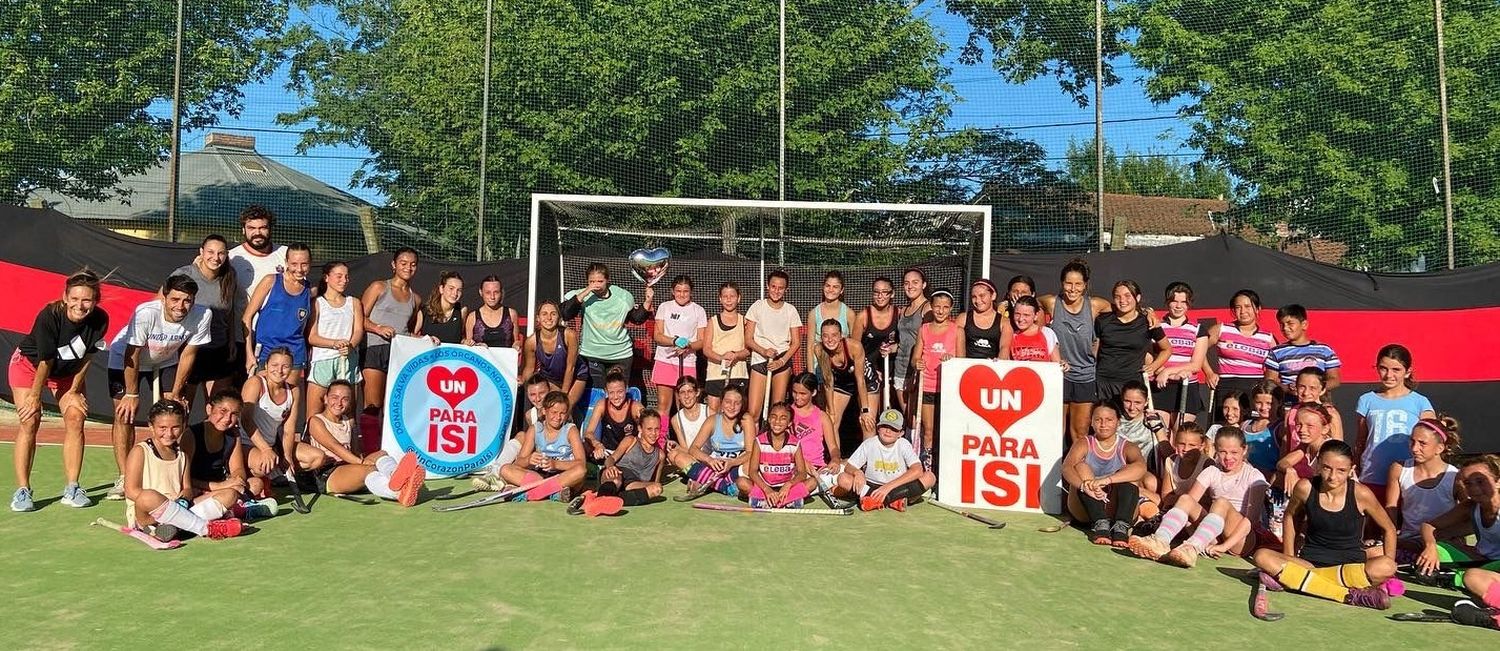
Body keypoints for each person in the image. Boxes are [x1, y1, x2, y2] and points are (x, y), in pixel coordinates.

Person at [1251, 440, 1398, 611]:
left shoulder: (1361, 493)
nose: (1333, 476)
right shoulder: (1305, 487)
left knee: (1387, 565)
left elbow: (1389, 529)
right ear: (1318, 464)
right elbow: (1290, 516)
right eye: (1327, 468)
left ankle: (1297, 580)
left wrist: (1390, 571)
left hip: (1352, 566)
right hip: (1311, 563)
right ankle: (1347, 595)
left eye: (1341, 470)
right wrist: (1289, 556)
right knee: (1261, 556)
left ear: (1352, 469)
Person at [106, 274, 212, 501]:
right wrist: (132, 394)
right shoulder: (146, 313)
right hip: (125, 360)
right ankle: (125, 477)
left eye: (187, 300)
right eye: (175, 299)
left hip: (165, 360)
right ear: (164, 297)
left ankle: (175, 475)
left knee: (174, 414)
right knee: (125, 414)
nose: (181, 306)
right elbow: (131, 353)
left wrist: (175, 392)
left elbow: (188, 354)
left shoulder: (203, 315)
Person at [9, 270, 108, 512]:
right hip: (30, 368)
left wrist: (74, 390)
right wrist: (34, 396)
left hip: (66, 374)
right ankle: (22, 491)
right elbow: (46, 361)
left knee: (76, 417)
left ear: (95, 301)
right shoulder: (49, 316)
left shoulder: (100, 320)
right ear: (65, 297)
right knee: (30, 419)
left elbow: (87, 358)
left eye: (86, 300)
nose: (80, 305)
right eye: (74, 299)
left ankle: (72, 488)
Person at [1130, 426, 1269, 567]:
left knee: (1221, 503)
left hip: (1241, 540)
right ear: (1215, 449)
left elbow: (1251, 520)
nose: (1228, 457)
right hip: (1213, 533)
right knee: (1184, 499)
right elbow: (1189, 503)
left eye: (1234, 452)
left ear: (1244, 450)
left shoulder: (1254, 476)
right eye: (1222, 452)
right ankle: (1161, 540)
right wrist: (1190, 527)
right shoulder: (1212, 471)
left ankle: (1192, 548)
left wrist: (1224, 546)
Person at [123, 400, 245, 541]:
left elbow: (187, 489)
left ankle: (174, 527)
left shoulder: (182, 455)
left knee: (230, 495)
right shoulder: (140, 451)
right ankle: (206, 528)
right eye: (162, 428)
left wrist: (182, 500)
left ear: (183, 425)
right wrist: (167, 504)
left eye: (175, 427)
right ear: (151, 426)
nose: (169, 433)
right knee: (148, 496)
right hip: (148, 514)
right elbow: (131, 491)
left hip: (178, 508)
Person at [298, 380, 422, 506]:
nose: (339, 403)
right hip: (325, 474)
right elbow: (334, 446)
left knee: (381, 454)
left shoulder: (348, 422)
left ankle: (397, 476)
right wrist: (362, 463)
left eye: (345, 399)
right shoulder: (316, 421)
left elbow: (356, 452)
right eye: (334, 397)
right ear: (325, 399)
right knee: (369, 470)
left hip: (347, 466)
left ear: (350, 402)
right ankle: (397, 492)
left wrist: (364, 460)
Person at [1415, 455, 1500, 629]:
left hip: (1490, 568)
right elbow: (1429, 526)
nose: (1474, 488)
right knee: (1430, 558)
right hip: (1483, 561)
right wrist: (1430, 547)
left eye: (1480, 481)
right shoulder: (1470, 507)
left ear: (1497, 482)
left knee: (1473, 578)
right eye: (1468, 483)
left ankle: (1455, 579)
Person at [1040, 259, 1112, 444]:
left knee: (1079, 434)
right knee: (1055, 432)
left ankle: (1076, 471)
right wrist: (1004, 306)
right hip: (1058, 376)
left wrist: (1147, 313)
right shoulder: (1051, 303)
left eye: (1078, 284)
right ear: (1061, 283)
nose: (1072, 288)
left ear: (1085, 285)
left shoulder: (1095, 305)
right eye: (1068, 283)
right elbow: (1028, 304)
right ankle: (1054, 472)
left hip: (1085, 377)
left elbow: (1125, 311)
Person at [1061, 401, 1150, 547]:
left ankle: (1121, 526)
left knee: (1130, 475)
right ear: (1091, 422)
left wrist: (1107, 480)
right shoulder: (1083, 443)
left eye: (1109, 420)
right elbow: (1066, 468)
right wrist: (1084, 486)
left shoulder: (1128, 446)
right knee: (1081, 467)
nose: (1103, 424)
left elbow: (1141, 467)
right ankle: (1100, 523)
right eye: (1098, 420)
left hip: (1116, 507)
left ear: (1118, 422)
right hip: (1087, 508)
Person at [1357, 344, 1436, 496]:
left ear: (1407, 372)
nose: (1388, 375)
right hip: (1372, 475)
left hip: (1408, 477)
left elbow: (1431, 440)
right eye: (1383, 368)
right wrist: (1356, 465)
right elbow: (1361, 439)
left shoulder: (1420, 402)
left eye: (1396, 370)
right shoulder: (1366, 400)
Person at [560, 262, 652, 389]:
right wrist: (586, 292)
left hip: (620, 355)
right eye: (592, 282)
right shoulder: (582, 295)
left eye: (600, 281)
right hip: (591, 354)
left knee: (617, 395)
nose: (596, 285)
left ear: (607, 280)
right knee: (595, 395)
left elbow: (637, 319)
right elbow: (565, 314)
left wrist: (647, 301)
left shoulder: (623, 296)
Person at [174, 234, 241, 408]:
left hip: (218, 349)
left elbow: (230, 311)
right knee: (182, 407)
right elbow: (161, 303)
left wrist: (231, 341)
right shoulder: (184, 274)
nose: (215, 257)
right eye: (211, 252)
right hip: (189, 350)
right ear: (201, 252)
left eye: (221, 253)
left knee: (217, 409)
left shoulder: (230, 276)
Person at [1384, 416, 1462, 558]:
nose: (1414, 448)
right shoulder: (1399, 469)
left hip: (1442, 542)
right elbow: (1391, 507)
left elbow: (1467, 513)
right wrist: (1391, 537)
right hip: (1407, 541)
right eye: (1412, 441)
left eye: (1422, 443)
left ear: (1440, 448)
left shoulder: (1455, 477)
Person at [831, 409, 935, 511]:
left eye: (893, 428)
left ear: (901, 433)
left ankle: (877, 500)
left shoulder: (903, 444)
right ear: (878, 428)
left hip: (897, 486)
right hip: (871, 485)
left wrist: (888, 487)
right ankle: (893, 501)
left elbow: (917, 470)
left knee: (930, 477)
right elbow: (849, 466)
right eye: (884, 426)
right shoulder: (869, 443)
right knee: (843, 479)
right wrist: (858, 472)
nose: (888, 431)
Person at [360, 247, 421, 415]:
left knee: (393, 407)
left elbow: (408, 330)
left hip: (398, 354)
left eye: (413, 264)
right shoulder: (379, 287)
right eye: (403, 263)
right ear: (394, 264)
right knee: (373, 405)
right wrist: (377, 328)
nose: (408, 268)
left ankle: (385, 441)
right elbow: (359, 318)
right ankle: (369, 442)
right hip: (374, 350)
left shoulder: (415, 299)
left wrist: (425, 340)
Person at [243, 242, 312, 382]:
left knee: (291, 401)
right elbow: (246, 318)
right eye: (294, 264)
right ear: (286, 262)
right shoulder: (271, 281)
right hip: (265, 354)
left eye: (304, 264)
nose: (299, 269)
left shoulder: (309, 290)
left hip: (295, 357)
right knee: (261, 400)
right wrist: (249, 353)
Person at [500, 391, 588, 500]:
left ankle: (530, 495)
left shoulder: (570, 430)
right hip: (540, 477)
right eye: (554, 412)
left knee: (581, 471)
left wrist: (555, 464)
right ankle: (553, 493)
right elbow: (519, 462)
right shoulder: (535, 429)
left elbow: (581, 463)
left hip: (563, 476)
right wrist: (529, 460)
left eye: (562, 413)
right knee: (505, 469)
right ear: (544, 411)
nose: (558, 417)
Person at [1094, 280, 1169, 403]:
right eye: (1117, 296)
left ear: (1138, 297)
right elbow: (1095, 349)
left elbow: (1167, 349)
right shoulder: (1102, 321)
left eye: (1127, 296)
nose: (1122, 300)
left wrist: (1153, 366)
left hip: (1132, 386)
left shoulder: (1148, 322)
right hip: (1103, 383)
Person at [674, 385, 754, 499]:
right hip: (715, 467)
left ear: (742, 405)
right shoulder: (712, 420)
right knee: (679, 458)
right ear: (721, 403)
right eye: (728, 402)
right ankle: (725, 487)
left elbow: (751, 452)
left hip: (736, 467)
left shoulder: (746, 420)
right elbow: (693, 448)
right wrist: (710, 460)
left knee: (753, 463)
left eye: (737, 403)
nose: (732, 406)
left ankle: (708, 483)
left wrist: (732, 462)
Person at [306, 261, 364, 420]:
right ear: (326, 277)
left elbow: (359, 330)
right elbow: (312, 337)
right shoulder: (317, 303)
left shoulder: (354, 302)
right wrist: (334, 343)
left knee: (349, 416)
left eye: (346, 276)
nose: (344, 280)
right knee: (314, 415)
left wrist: (350, 346)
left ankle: (349, 444)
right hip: (323, 362)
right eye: (339, 276)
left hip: (348, 362)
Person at [911, 290, 961, 468]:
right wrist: (917, 363)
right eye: (937, 307)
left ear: (951, 309)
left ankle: (946, 467)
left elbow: (962, 361)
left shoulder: (957, 331)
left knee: (946, 430)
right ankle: (927, 465)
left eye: (945, 307)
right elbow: (915, 358)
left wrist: (952, 360)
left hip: (948, 388)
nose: (941, 311)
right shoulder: (924, 329)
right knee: (929, 430)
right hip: (928, 386)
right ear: (931, 307)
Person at [239, 347, 299, 494]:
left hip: (272, 446)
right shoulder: (256, 383)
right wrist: (265, 449)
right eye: (274, 365)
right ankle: (259, 476)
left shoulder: (294, 391)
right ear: (266, 366)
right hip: (246, 443)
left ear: (291, 369)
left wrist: (287, 457)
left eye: (285, 366)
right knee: (263, 465)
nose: (279, 370)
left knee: (316, 458)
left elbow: (289, 429)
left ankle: (275, 476)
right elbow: (245, 420)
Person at [745, 270, 802, 420]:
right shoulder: (757, 306)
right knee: (754, 412)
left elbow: (796, 342)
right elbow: (748, 339)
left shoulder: (791, 310)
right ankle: (753, 442)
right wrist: (764, 351)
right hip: (760, 360)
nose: (776, 291)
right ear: (767, 286)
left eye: (780, 288)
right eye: (773, 286)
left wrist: (781, 361)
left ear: (786, 289)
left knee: (777, 410)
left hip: (781, 360)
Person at [1151, 282, 1210, 429]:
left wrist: (1168, 371)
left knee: (1181, 434)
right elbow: (1149, 356)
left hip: (1186, 386)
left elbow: (1196, 364)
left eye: (1183, 302)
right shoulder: (1156, 326)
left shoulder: (1198, 329)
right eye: (1174, 301)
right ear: (1167, 302)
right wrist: (1160, 372)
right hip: (1160, 386)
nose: (1178, 306)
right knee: (1161, 435)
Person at [740, 402, 816, 509]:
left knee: (812, 482)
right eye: (774, 417)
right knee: (742, 482)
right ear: (769, 419)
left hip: (786, 488)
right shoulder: (759, 441)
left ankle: (769, 502)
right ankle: (784, 502)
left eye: (783, 418)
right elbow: (752, 471)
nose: (777, 422)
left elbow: (802, 473)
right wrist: (767, 489)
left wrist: (788, 485)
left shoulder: (795, 443)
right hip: (765, 485)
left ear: (789, 423)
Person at [588, 408, 666, 511]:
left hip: (633, 483)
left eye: (657, 429)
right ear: (640, 429)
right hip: (617, 473)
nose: (653, 433)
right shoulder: (631, 441)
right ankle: (603, 498)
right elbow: (611, 458)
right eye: (649, 429)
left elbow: (655, 481)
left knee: (657, 489)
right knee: (616, 480)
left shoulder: (660, 455)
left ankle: (610, 500)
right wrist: (611, 467)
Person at [182, 389, 253, 500]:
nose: (227, 419)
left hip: (222, 483)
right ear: (209, 409)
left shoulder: (233, 434)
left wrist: (236, 480)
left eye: (234, 414)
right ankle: (237, 505)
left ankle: (234, 504)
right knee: (229, 495)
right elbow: (183, 477)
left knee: (256, 484)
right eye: (223, 411)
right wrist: (220, 487)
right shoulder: (192, 434)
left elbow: (238, 469)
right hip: (198, 486)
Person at [812, 319, 877, 439]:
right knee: (831, 422)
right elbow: (828, 381)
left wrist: (865, 410)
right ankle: (835, 456)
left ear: (841, 335)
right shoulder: (819, 349)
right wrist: (831, 412)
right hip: (843, 382)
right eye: (825, 336)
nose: (830, 340)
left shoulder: (854, 346)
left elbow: (860, 380)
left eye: (834, 335)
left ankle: (870, 457)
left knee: (867, 423)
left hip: (865, 381)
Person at [651, 274, 708, 412]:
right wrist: (674, 341)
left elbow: (702, 341)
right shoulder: (664, 307)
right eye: (678, 291)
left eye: (685, 291)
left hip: (687, 362)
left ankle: (684, 434)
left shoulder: (698, 310)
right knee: (663, 405)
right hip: (665, 360)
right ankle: (663, 433)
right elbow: (657, 335)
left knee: (685, 405)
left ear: (691, 292)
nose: (681, 295)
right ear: (672, 291)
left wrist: (688, 346)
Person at [1206, 289, 1275, 399]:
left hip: (1255, 389)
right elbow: (1197, 350)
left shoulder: (1268, 338)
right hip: (1226, 387)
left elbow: (1274, 368)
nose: (1243, 311)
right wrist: (1209, 373)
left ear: (1258, 309)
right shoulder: (1221, 329)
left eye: (1248, 306)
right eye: (1238, 307)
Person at [520, 299, 586, 411]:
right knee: (546, 410)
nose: (549, 318)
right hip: (551, 378)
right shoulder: (531, 342)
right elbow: (529, 369)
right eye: (544, 314)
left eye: (553, 314)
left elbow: (571, 367)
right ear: (538, 318)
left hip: (576, 376)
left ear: (559, 317)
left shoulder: (569, 335)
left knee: (564, 408)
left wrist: (563, 395)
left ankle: (575, 424)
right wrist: (522, 381)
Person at [1264, 303, 1342, 394]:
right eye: (1282, 324)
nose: (1285, 328)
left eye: (1290, 323)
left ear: (1304, 324)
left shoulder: (1324, 350)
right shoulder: (1276, 352)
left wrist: (1314, 389)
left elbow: (1335, 379)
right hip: (1288, 405)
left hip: (1318, 405)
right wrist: (1286, 388)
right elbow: (1270, 380)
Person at [851, 275, 899, 413]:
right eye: (876, 292)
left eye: (885, 292)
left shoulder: (900, 314)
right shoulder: (863, 316)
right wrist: (870, 371)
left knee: (892, 415)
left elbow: (907, 344)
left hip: (893, 371)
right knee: (869, 418)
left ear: (892, 294)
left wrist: (895, 348)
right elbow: (854, 350)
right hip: (869, 371)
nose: (880, 296)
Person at [227, 205, 288, 311]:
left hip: (278, 325)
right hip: (243, 327)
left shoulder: (286, 254)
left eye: (263, 228)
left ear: (270, 229)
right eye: (251, 228)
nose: (257, 233)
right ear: (243, 230)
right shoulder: (231, 258)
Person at [702, 282, 750, 414]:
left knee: (737, 411)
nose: (729, 300)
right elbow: (706, 349)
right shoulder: (712, 321)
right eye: (725, 296)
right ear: (720, 298)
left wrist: (736, 355)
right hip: (716, 374)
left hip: (738, 373)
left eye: (732, 296)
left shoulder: (744, 321)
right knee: (714, 412)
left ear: (739, 298)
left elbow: (748, 349)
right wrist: (721, 358)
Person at [891, 268, 931, 412]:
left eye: (915, 282)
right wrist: (891, 349)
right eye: (906, 283)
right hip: (901, 368)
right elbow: (903, 342)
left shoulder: (928, 308)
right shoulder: (903, 310)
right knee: (908, 418)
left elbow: (931, 339)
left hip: (918, 370)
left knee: (916, 418)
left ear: (924, 285)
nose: (910, 286)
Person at [582, 369, 643, 461]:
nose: (616, 397)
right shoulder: (601, 405)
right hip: (607, 451)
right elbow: (588, 433)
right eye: (611, 393)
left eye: (620, 392)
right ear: (606, 392)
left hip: (627, 452)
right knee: (584, 444)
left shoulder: (635, 407)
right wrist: (597, 444)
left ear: (626, 389)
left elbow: (649, 425)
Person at [1281, 368, 1345, 449]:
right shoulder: (1291, 413)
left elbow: (1338, 446)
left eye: (1312, 388)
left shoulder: (1331, 413)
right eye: (1302, 387)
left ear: (1322, 390)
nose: (1306, 393)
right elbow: (1286, 443)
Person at [788, 372, 840, 470]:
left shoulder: (822, 416)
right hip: (795, 466)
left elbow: (833, 447)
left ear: (814, 393)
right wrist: (801, 462)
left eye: (803, 394)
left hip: (818, 466)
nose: (797, 397)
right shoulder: (787, 413)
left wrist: (835, 459)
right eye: (795, 392)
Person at [1156, 421, 1210, 512]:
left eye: (1192, 445)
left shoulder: (1207, 464)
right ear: (1175, 443)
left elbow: (1207, 500)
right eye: (1182, 444)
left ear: (1201, 446)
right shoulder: (1170, 461)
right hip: (1176, 506)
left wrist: (1181, 500)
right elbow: (1166, 496)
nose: (1186, 449)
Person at [805, 271, 851, 375]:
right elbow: (810, 346)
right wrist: (811, 373)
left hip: (842, 368)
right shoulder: (813, 313)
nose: (831, 290)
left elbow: (854, 344)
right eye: (828, 286)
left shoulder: (849, 313)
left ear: (841, 290)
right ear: (823, 287)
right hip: (820, 367)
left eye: (835, 287)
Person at [1115, 380, 1165, 473]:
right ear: (1122, 399)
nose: (1132, 407)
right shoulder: (1114, 420)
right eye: (1127, 401)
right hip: (1120, 469)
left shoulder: (1153, 420)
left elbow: (1164, 448)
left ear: (1146, 402)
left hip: (1147, 470)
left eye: (1137, 402)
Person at [465, 275, 521, 350]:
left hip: (504, 360)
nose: (492, 297)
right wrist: (476, 345)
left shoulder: (511, 314)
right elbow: (468, 346)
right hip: (481, 360)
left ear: (501, 292)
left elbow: (516, 341)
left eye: (496, 292)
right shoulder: (472, 317)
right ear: (481, 292)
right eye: (488, 292)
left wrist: (517, 346)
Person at [957, 278, 1006, 361]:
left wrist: (999, 364)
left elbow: (1004, 348)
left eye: (982, 296)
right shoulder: (963, 318)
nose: (978, 301)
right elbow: (955, 345)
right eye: (974, 297)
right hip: (967, 368)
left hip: (992, 368)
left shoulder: (1004, 322)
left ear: (993, 296)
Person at [1003, 296, 1060, 364]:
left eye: (1026, 315)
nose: (1021, 319)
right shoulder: (1011, 335)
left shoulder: (1047, 333)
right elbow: (1005, 363)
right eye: (1017, 314)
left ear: (1036, 315)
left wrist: (1063, 365)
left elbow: (1057, 363)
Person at [1243, 381, 1282, 478]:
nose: (1264, 407)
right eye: (1259, 403)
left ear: (1279, 402)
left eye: (1269, 403)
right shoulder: (1245, 425)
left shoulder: (1280, 428)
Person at [418, 271, 468, 345]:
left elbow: (462, 339)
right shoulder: (424, 311)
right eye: (451, 288)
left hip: (451, 356)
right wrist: (426, 339)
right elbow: (411, 337)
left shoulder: (462, 311)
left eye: (459, 290)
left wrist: (468, 343)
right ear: (441, 289)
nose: (455, 293)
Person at [669, 377, 711, 451]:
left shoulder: (708, 412)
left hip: (711, 456)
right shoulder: (676, 419)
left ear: (697, 392)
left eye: (690, 391)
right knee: (673, 455)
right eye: (682, 392)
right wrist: (677, 447)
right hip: (690, 456)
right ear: (678, 396)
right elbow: (685, 447)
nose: (686, 396)